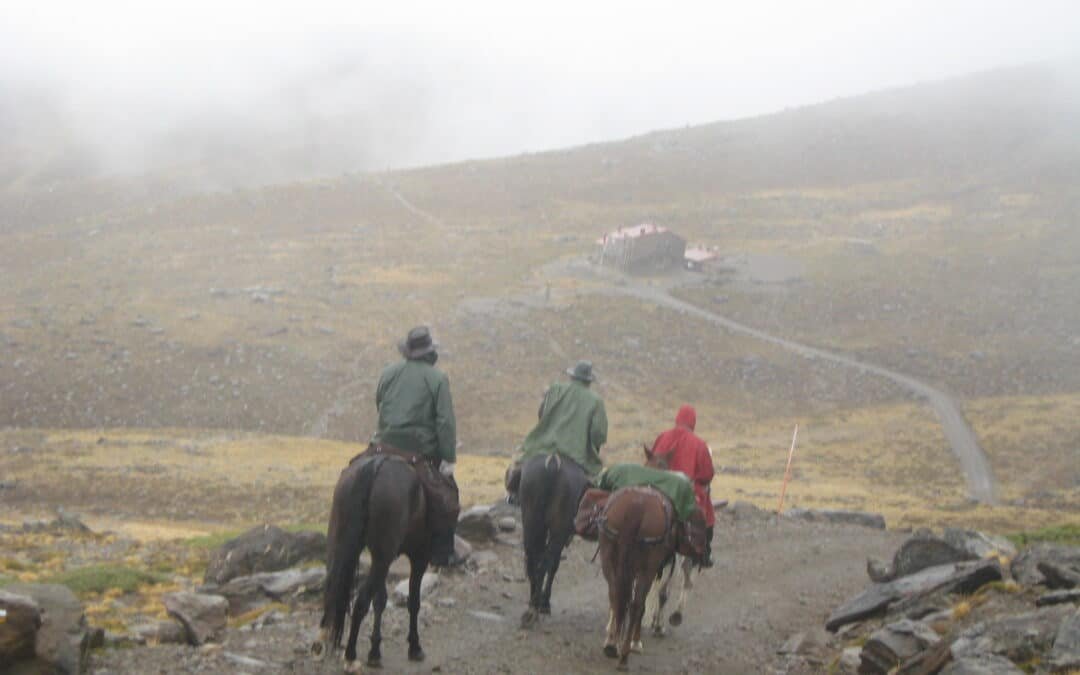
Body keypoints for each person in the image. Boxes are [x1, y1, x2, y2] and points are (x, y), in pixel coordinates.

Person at [373, 326, 464, 568]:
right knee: (449, 497)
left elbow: (379, 402)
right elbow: (445, 422)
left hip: (383, 444)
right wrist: (447, 458)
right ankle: (443, 554)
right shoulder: (437, 378)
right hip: (418, 450)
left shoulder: (388, 372)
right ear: (429, 353)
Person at [504, 360, 608, 502]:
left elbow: (542, 414)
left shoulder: (555, 389)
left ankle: (513, 494)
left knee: (519, 464)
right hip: (577, 455)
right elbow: (598, 434)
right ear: (589, 381)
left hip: (544, 446)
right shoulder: (596, 401)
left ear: (572, 376)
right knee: (592, 484)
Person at [651, 405, 716, 567]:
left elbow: (651, 462)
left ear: (677, 419)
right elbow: (707, 474)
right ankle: (703, 553)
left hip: (661, 489)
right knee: (706, 517)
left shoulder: (662, 437)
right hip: (687, 494)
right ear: (693, 422)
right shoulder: (699, 444)